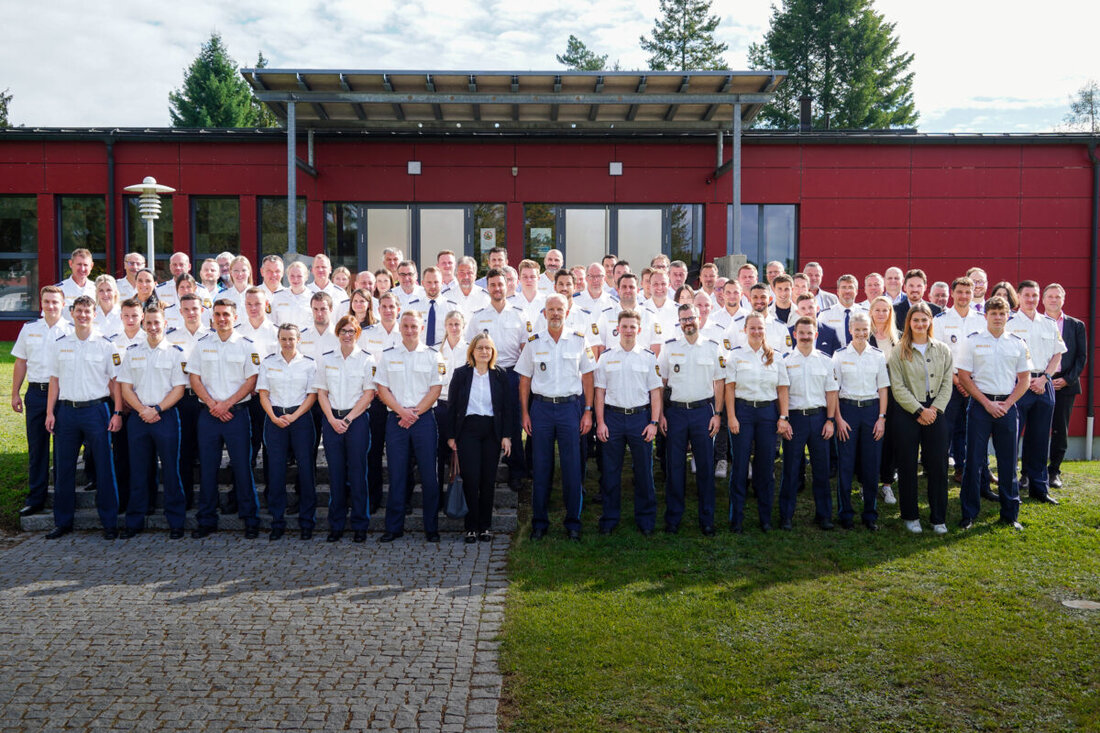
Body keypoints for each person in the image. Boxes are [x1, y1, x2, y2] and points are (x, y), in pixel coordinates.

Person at [516, 293, 596, 541]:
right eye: (550, 309)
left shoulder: (580, 341)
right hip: (541, 409)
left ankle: (573, 522)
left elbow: (588, 378)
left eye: (559, 309)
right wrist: (525, 413)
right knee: (541, 467)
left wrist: (588, 411)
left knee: (572, 468)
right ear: (544, 313)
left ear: (567, 312)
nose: (555, 313)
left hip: (570, 409)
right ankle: (540, 523)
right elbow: (524, 380)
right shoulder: (534, 342)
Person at [44, 295, 124, 539]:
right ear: (71, 312)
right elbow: (54, 380)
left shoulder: (106, 345)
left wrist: (118, 411)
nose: (83, 315)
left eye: (87, 311)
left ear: (94, 314)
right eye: (79, 311)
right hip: (67, 411)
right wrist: (50, 411)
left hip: (96, 411)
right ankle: (63, 521)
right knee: (64, 468)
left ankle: (109, 522)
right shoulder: (61, 344)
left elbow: (115, 382)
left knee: (104, 467)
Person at [186, 299, 262, 539]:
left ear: (235, 317)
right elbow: (194, 378)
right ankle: (206, 519)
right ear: (212, 318)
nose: (222, 319)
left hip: (237, 414)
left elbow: (251, 381)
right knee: (208, 469)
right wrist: (213, 405)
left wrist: (226, 404)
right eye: (218, 315)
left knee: (242, 467)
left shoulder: (246, 345)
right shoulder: (201, 345)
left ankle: (250, 518)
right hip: (208, 415)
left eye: (226, 315)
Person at [955, 296, 1031, 531]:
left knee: (1008, 463)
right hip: (980, 407)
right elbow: (965, 376)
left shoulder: (1018, 343)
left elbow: (1025, 379)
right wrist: (986, 403)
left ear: (1008, 315)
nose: (998, 317)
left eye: (1002, 313)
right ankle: (968, 514)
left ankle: (1010, 514)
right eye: (993, 313)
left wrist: (1007, 404)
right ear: (985, 315)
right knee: (973, 462)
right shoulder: (972, 342)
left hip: (1007, 408)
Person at [117, 304, 188, 538]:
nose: (153, 327)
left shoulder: (175, 353)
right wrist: (142, 410)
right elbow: (125, 386)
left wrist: (156, 409)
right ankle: (134, 521)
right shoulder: (133, 352)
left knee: (171, 470)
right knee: (138, 471)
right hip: (139, 418)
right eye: (148, 323)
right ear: (142, 324)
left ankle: (176, 522)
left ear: (165, 324)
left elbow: (179, 389)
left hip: (165, 416)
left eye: (157, 322)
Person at [375, 310, 446, 543]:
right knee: (396, 474)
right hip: (396, 419)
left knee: (429, 475)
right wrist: (401, 411)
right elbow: (382, 389)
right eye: (405, 326)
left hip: (423, 419)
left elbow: (436, 389)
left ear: (421, 328)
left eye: (414, 326)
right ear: (400, 328)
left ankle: (431, 528)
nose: (409, 330)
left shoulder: (433, 356)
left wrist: (414, 413)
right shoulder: (387, 356)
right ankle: (393, 528)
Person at [657, 303, 725, 535]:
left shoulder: (712, 347)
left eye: (691, 318)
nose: (688, 322)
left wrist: (717, 414)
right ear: (679, 321)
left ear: (699, 318)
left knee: (706, 468)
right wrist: (661, 415)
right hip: (675, 413)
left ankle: (707, 519)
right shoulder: (669, 348)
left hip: (702, 413)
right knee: (675, 467)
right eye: (684, 319)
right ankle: (673, 519)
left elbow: (720, 382)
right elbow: (661, 384)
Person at [594, 309, 662, 536]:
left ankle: (646, 520)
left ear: (639, 330)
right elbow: (599, 393)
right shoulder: (606, 357)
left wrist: (653, 422)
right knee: (611, 473)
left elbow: (655, 392)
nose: (629, 330)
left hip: (640, 419)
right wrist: (600, 422)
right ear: (618, 329)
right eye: (625, 326)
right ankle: (610, 519)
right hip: (612, 419)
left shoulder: (648, 357)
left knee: (644, 472)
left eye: (633, 326)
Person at [887, 303, 953, 534]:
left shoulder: (943, 349)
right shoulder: (899, 350)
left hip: (936, 411)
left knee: (937, 466)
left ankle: (938, 518)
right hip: (908, 412)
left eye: (924, 320)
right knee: (906, 465)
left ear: (930, 322)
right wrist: (918, 410)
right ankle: (910, 515)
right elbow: (898, 386)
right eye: (916, 320)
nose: (920, 324)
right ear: (909, 323)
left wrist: (934, 409)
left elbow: (947, 382)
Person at [725, 311, 791, 533]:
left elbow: (782, 388)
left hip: (767, 414)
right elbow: (730, 389)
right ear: (745, 330)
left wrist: (783, 417)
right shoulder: (735, 355)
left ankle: (765, 518)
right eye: (752, 328)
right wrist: (732, 417)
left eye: (760, 328)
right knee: (740, 467)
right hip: (742, 413)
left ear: (765, 330)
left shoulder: (776, 356)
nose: (756, 331)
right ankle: (737, 519)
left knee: (765, 467)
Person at [314, 315, 376, 542]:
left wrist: (348, 420)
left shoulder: (367, 360)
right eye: (343, 331)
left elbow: (369, 394)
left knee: (358, 474)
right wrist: (331, 419)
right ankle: (336, 524)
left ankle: (361, 524)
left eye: (351, 331)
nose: (347, 335)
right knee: (336, 474)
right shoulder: (326, 359)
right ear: (337, 333)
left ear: (357, 333)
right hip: (332, 420)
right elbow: (321, 392)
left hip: (356, 421)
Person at [447, 333, 513, 542]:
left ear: (493, 351)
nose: (484, 352)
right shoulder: (461, 374)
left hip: (492, 431)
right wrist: (451, 436)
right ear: (472, 351)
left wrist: (507, 436)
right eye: (480, 348)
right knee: (471, 479)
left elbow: (508, 408)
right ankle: (471, 527)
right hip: (468, 431)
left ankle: (485, 526)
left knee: (487, 480)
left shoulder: (500, 375)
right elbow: (452, 406)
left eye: (488, 348)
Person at [12, 286, 72, 517]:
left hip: (63, 395)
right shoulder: (29, 330)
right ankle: (36, 498)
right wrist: (15, 393)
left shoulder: (70, 330)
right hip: (36, 394)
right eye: (47, 301)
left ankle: (61, 498)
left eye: (55, 302)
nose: (51, 306)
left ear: (63, 304)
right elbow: (20, 363)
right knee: (37, 449)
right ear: (41, 303)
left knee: (62, 450)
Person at [257, 323, 318, 540]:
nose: (288, 342)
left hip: (300, 418)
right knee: (275, 471)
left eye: (291, 338)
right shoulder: (268, 363)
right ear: (278, 340)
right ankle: (277, 520)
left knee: (306, 469)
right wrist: (274, 417)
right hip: (274, 418)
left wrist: (294, 416)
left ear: (299, 339)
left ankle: (307, 521)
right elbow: (263, 393)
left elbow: (312, 395)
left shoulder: (309, 364)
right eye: (283, 339)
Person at [1006, 280, 1065, 503]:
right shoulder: (1010, 323)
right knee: (1012, 437)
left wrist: (1045, 378)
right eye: (1027, 295)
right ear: (1019, 297)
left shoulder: (1048, 323)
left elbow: (1057, 354)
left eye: (1034, 295)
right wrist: (1027, 380)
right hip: (1018, 384)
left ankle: (1039, 488)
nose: (1031, 299)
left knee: (1040, 439)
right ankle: (1011, 487)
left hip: (1044, 383)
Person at [778, 316, 839, 530]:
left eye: (809, 333)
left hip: (819, 418)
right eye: (801, 333)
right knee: (791, 469)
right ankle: (786, 515)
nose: (805, 337)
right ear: (794, 335)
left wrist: (830, 420)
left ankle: (824, 515)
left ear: (816, 335)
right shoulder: (786, 361)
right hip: (795, 419)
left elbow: (831, 393)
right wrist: (784, 419)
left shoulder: (825, 360)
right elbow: (782, 392)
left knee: (821, 470)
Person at [832, 312, 889, 531]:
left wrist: (882, 418)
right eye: (857, 329)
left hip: (871, 411)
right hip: (847, 411)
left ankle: (870, 514)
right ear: (850, 330)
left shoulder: (877, 355)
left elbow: (883, 389)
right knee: (846, 464)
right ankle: (845, 513)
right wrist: (838, 418)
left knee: (871, 465)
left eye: (865, 329)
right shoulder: (839, 355)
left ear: (870, 330)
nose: (861, 333)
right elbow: (834, 390)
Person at [934, 277, 986, 484]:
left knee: (974, 428)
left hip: (976, 382)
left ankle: (969, 469)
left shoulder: (982, 320)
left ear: (973, 294)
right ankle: (939, 471)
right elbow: (939, 354)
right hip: (951, 382)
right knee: (947, 428)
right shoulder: (940, 320)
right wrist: (957, 380)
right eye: (960, 292)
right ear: (953, 294)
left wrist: (969, 381)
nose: (964, 296)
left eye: (968, 292)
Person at [1042, 283, 1087, 488]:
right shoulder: (1036, 322)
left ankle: (1054, 472)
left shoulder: (1076, 325)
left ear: (1063, 299)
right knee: (1037, 428)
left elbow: (1081, 357)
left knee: (1060, 429)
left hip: (1066, 384)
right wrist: (1044, 378)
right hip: (1039, 383)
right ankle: (1032, 471)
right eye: (1049, 296)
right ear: (1043, 299)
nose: (1053, 300)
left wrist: (1068, 379)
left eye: (1057, 296)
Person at [868, 294, 899, 505]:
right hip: (870, 393)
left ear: (890, 313)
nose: (881, 313)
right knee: (870, 437)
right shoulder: (863, 334)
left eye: (885, 310)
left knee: (890, 439)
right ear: (871, 312)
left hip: (894, 395)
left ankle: (887, 484)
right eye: (877, 310)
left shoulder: (899, 338)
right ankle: (866, 483)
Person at [436, 311, 468, 497]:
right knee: (439, 454)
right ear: (445, 326)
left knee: (463, 454)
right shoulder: (435, 350)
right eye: (451, 324)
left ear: (463, 326)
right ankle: (439, 496)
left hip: (463, 409)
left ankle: (460, 497)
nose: (454, 328)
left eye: (458, 324)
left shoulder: (471, 348)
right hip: (441, 406)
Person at [817, 274, 865, 348]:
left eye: (850, 287)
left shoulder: (866, 313)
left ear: (856, 291)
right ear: (838, 291)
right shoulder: (825, 315)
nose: (847, 291)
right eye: (843, 287)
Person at [271, 262, 314, 330]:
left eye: (299, 276)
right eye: (292, 276)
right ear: (287, 277)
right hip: (283, 339)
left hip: (306, 339)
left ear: (306, 277)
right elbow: (272, 323)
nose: (295, 279)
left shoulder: (313, 298)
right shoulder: (277, 297)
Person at [57, 249, 97, 321]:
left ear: (91, 266)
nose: (82, 268)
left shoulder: (97, 289)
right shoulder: (59, 290)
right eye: (79, 264)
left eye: (85, 265)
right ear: (70, 264)